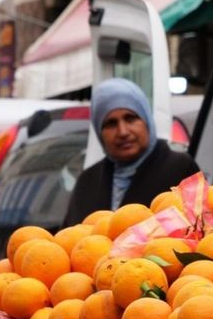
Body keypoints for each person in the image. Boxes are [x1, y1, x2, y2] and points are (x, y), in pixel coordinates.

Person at [63, 78, 199, 226]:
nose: (123, 132)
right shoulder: (88, 181)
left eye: (130, 118)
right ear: (99, 132)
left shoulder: (179, 168)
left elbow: (201, 227)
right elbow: (72, 237)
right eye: (111, 123)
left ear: (146, 120)